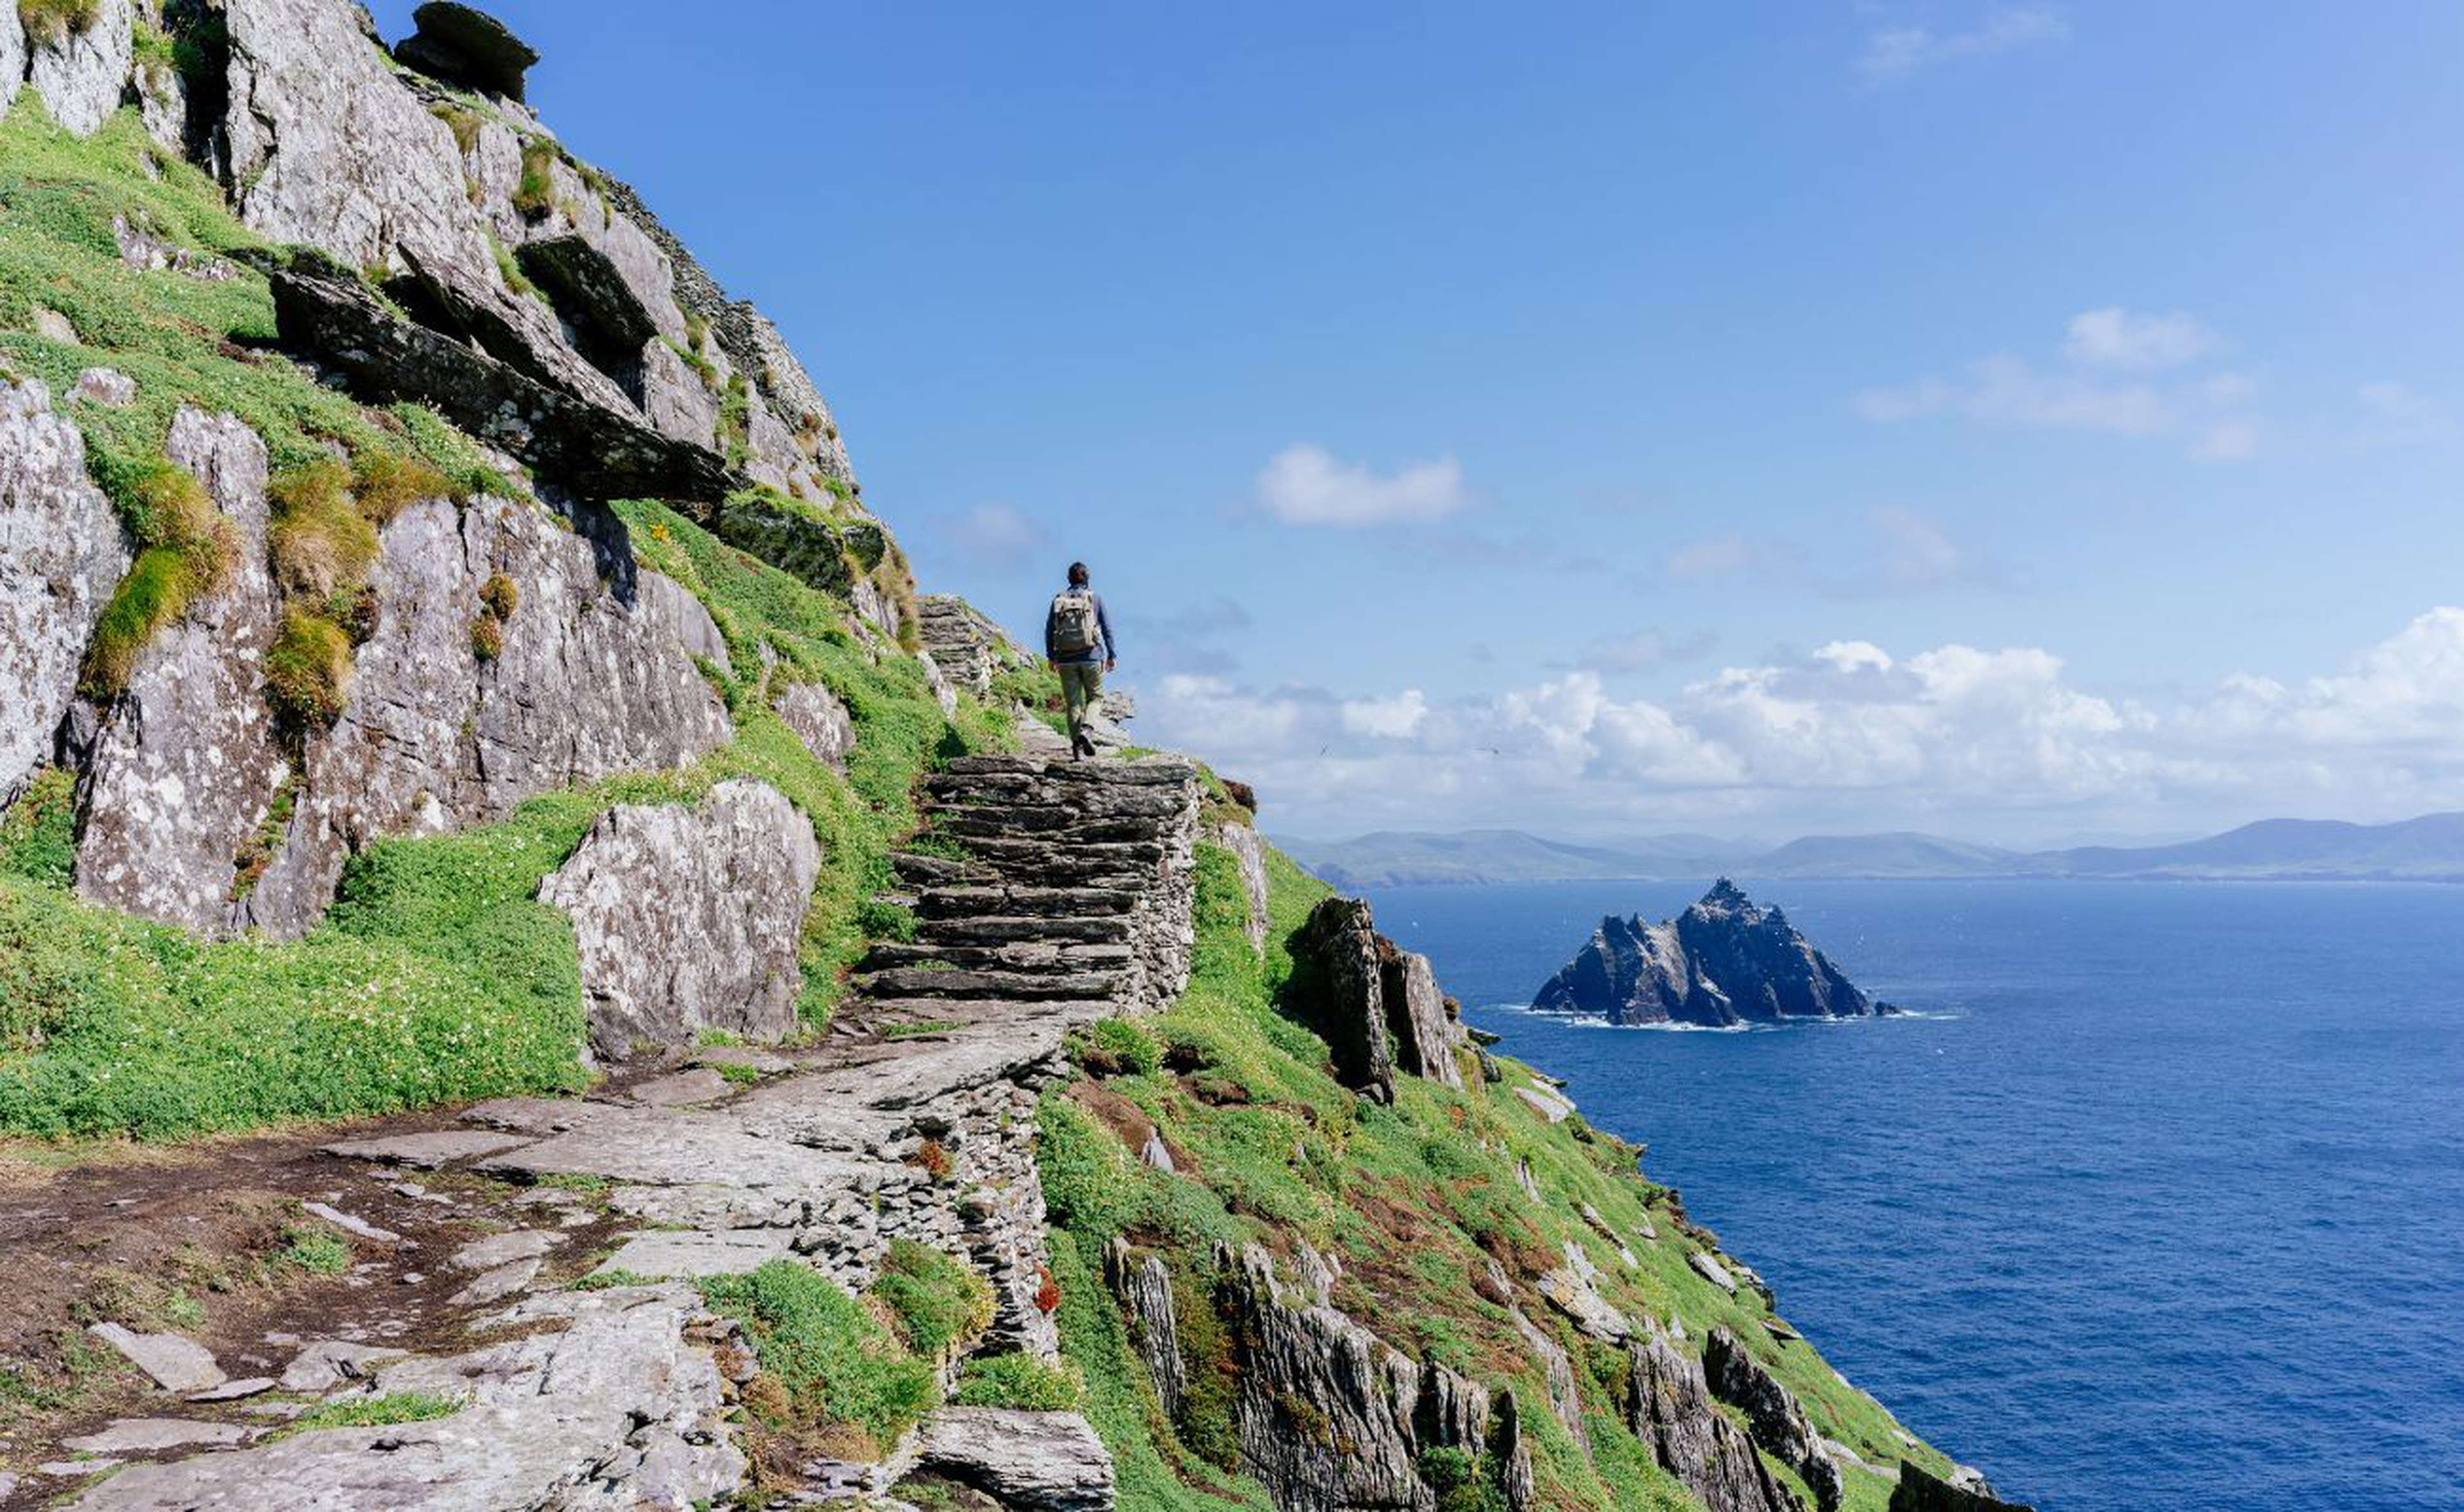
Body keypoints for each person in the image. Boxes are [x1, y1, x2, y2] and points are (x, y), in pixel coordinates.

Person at [1045, 561, 1116, 760]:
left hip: (1065, 659)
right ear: (1087, 579)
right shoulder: (1095, 598)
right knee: (1095, 697)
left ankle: (1077, 749)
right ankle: (1087, 730)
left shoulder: (1059, 599)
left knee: (1073, 704)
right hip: (1091, 656)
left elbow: (1049, 629)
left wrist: (1051, 656)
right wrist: (1112, 655)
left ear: (1069, 579)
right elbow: (1107, 628)